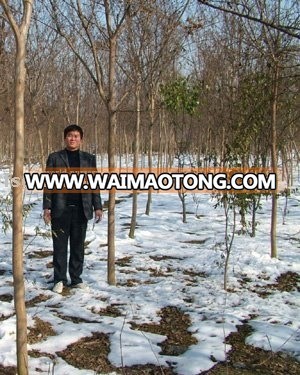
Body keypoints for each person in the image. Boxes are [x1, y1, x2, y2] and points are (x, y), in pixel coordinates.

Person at [43, 124, 103, 293]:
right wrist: (47, 207)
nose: (73, 139)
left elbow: (94, 185)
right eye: (70, 135)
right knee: (60, 246)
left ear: (81, 139)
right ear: (65, 138)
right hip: (60, 209)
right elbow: (47, 185)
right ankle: (59, 279)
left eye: (76, 136)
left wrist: (97, 206)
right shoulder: (55, 158)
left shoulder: (89, 159)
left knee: (78, 246)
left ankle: (76, 279)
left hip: (81, 209)